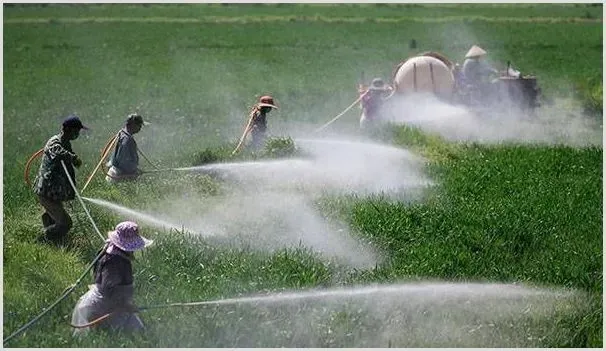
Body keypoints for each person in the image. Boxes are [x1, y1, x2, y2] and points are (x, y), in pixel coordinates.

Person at [71, 221, 153, 335]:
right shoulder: (114, 262)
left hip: (111, 304)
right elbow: (109, 288)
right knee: (132, 334)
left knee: (137, 333)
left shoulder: (113, 252)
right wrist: (124, 305)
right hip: (102, 306)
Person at [32, 114, 87, 245]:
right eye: (77, 130)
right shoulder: (54, 142)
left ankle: (54, 243)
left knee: (53, 217)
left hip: (54, 192)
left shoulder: (66, 143)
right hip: (46, 192)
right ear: (68, 129)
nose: (78, 133)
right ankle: (41, 240)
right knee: (66, 223)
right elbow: (57, 151)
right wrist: (72, 158)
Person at [106, 113, 149, 183]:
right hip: (118, 177)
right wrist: (134, 171)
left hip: (117, 174)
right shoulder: (126, 139)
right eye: (139, 125)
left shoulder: (123, 134)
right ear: (133, 125)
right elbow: (124, 161)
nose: (140, 128)